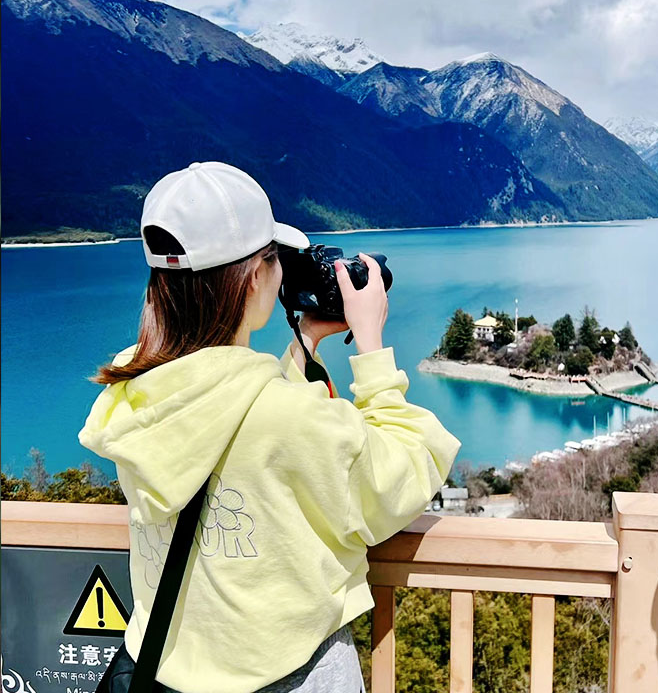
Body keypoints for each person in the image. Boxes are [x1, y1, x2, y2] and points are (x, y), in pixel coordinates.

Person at [79, 161, 461, 693]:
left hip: (158, 667)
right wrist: (371, 345)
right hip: (283, 677)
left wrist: (304, 344)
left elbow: (232, 415)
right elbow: (400, 474)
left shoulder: (135, 390)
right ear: (256, 276)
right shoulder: (283, 416)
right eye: (274, 259)